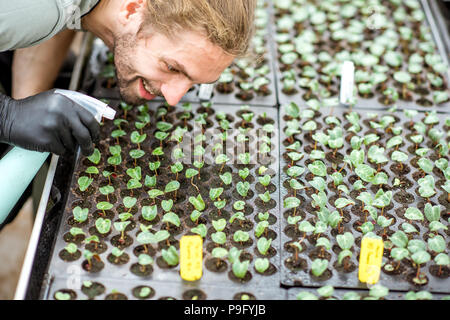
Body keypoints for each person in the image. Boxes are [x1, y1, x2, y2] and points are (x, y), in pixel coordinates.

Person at [0, 0, 256, 224]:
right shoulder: (40, 8)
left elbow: (59, 20)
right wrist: (8, 115)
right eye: (172, 67)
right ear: (132, 9)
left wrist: (27, 98)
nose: (173, 98)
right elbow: (45, 12)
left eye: (193, 83)